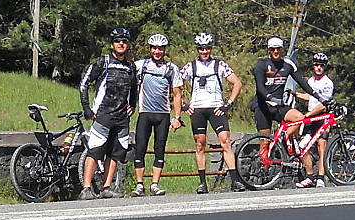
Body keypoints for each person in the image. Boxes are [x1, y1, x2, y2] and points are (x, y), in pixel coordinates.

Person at [78, 27, 138, 200]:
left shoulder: (130, 66)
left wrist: (132, 106)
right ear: (112, 44)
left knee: (115, 153)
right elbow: (84, 83)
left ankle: (106, 187)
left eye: (124, 41)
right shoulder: (102, 62)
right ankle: (86, 188)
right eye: (118, 41)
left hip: (122, 118)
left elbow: (134, 87)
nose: (121, 44)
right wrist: (87, 108)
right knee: (95, 151)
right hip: (103, 114)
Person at [181, 32, 244, 194]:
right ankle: (203, 183)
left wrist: (228, 104)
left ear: (211, 48)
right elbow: (174, 85)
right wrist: (183, 105)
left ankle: (235, 181)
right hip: (198, 109)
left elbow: (237, 83)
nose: (204, 51)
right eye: (201, 48)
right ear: (197, 49)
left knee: (225, 141)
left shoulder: (220, 65)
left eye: (207, 48)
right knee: (200, 144)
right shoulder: (191, 66)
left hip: (216, 108)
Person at [131, 33, 184, 196]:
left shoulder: (171, 68)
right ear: (150, 49)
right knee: (140, 148)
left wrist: (177, 117)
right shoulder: (141, 65)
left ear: (164, 50)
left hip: (163, 114)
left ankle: (155, 184)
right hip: (145, 113)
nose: (157, 51)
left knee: (159, 149)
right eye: (154, 48)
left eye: (160, 49)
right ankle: (139, 185)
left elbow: (177, 94)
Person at [251, 36, 321, 137]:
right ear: (269, 50)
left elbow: (302, 83)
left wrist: (319, 97)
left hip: (278, 105)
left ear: (282, 49)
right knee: (265, 142)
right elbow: (260, 87)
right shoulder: (261, 64)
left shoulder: (288, 64)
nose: (276, 51)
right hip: (263, 105)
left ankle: (281, 139)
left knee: (299, 117)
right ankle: (268, 148)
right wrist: (271, 98)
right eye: (273, 49)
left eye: (278, 49)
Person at [294, 52, 337, 188]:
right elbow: (311, 97)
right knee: (302, 146)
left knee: (321, 146)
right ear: (313, 65)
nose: (319, 67)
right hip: (310, 118)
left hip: (321, 118)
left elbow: (323, 104)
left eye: (321, 65)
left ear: (325, 67)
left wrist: (308, 114)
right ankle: (310, 176)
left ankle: (320, 178)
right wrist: (296, 94)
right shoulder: (310, 81)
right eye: (316, 65)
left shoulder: (327, 83)